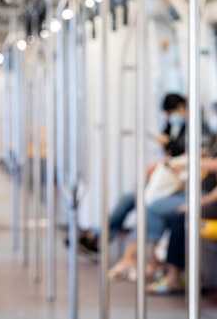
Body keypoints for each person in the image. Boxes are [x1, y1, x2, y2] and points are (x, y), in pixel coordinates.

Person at [146, 98, 217, 294]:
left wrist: (198, 203)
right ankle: (180, 274)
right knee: (177, 218)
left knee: (181, 218)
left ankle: (173, 278)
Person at [74, 93, 190, 257]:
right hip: (165, 180)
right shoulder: (171, 127)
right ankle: (98, 236)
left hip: (177, 185)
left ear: (181, 107)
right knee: (127, 197)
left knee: (149, 205)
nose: (170, 117)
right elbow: (169, 156)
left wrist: (169, 145)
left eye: (171, 113)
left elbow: (184, 157)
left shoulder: (194, 129)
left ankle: (129, 256)